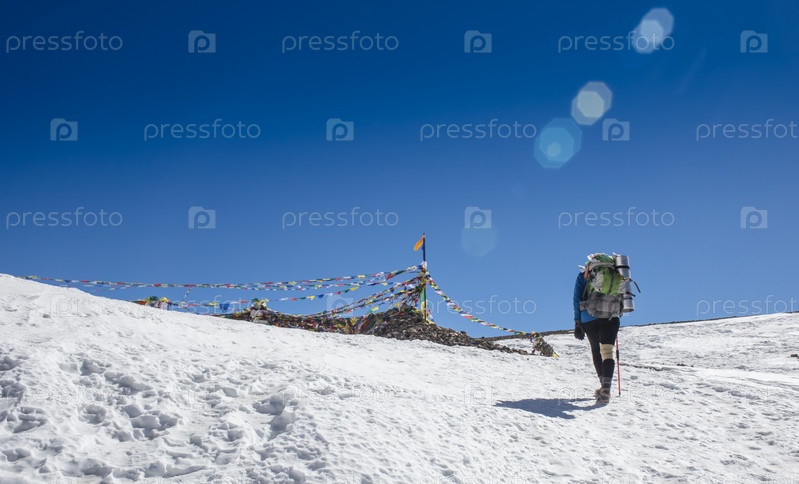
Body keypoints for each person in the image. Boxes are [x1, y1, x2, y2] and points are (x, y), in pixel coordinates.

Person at [573, 259, 621, 405]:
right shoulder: (617, 273)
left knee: (596, 351)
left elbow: (576, 298)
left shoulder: (584, 274)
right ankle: (606, 389)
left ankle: (603, 386)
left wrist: (577, 322)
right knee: (607, 351)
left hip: (589, 317)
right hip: (611, 316)